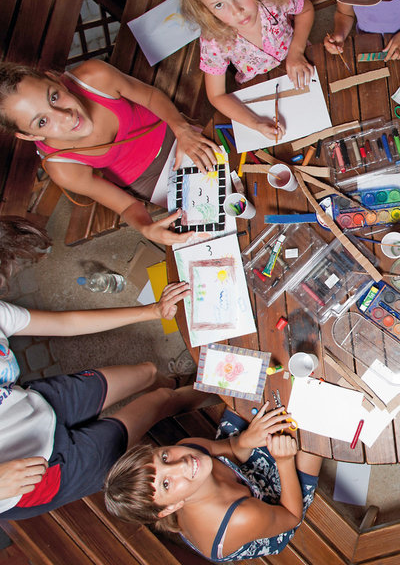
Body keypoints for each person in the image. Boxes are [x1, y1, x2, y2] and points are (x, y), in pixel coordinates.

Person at [0, 216, 209, 520]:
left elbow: (66, 324)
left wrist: (152, 311)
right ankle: (199, 391)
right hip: (44, 474)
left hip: (36, 405)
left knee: (148, 372)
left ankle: (176, 384)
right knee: (160, 402)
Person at [0, 60, 219, 246]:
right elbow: (126, 204)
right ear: (28, 136)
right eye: (42, 122)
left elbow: (150, 97)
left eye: (54, 97)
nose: (65, 116)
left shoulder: (95, 77)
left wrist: (181, 129)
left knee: (232, 163)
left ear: (55, 80)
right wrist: (146, 228)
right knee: (215, 219)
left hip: (174, 132)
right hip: (153, 181)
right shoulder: (62, 166)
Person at [104, 406, 322, 562]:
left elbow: (234, 449)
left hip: (240, 472)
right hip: (273, 510)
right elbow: (291, 516)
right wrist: (284, 461)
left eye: (164, 458)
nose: (182, 464)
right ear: (170, 508)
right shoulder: (240, 519)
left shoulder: (190, 450)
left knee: (246, 392)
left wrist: (247, 440)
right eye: (166, 484)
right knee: (317, 431)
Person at [178, 0, 315, 142]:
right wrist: (255, 123)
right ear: (205, 11)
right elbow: (216, 95)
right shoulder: (214, 41)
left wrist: (296, 50)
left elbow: (306, 10)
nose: (237, 11)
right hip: (257, 89)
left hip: (300, 59)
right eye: (219, 5)